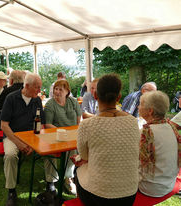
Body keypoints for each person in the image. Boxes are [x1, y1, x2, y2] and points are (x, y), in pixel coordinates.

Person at [72, 74, 140, 206]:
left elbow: (84, 156)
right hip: (130, 194)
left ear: (96, 95)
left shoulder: (87, 125)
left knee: (77, 169)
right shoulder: (133, 122)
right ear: (119, 97)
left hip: (98, 196)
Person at [0, 73, 45, 206]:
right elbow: (4, 125)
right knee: (10, 155)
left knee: (52, 149)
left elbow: (41, 123)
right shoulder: (11, 98)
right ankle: (11, 190)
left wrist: (35, 143)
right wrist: (20, 144)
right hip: (13, 136)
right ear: (26, 86)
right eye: (37, 87)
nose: (39, 91)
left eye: (40, 87)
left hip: (32, 136)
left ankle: (51, 183)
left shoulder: (37, 99)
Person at [138, 91, 180, 197]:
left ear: (150, 111)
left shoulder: (145, 132)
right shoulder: (171, 127)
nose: (138, 107)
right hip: (169, 184)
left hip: (150, 187)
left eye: (141, 104)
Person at [44, 79, 81, 194]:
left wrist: (75, 132)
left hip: (73, 135)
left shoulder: (73, 102)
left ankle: (68, 178)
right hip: (56, 135)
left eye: (61, 89)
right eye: (56, 89)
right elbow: (47, 124)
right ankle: (51, 181)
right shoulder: (50, 104)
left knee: (74, 149)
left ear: (67, 91)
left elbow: (79, 120)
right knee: (50, 150)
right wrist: (62, 132)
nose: (57, 92)